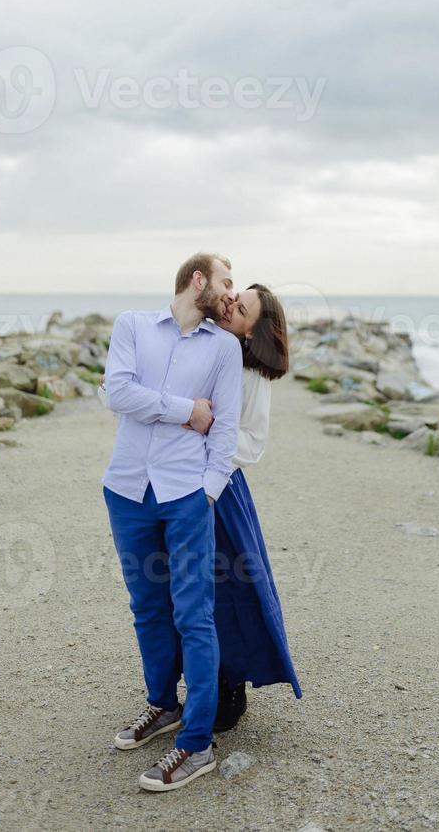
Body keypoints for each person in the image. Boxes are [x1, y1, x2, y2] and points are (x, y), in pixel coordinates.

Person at [101, 252, 243, 793]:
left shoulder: (224, 348)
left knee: (194, 614)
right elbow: (118, 393)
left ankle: (198, 743)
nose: (231, 294)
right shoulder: (134, 326)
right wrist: (187, 409)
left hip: (187, 494)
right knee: (147, 607)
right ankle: (163, 706)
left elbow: (224, 425)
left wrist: (207, 492)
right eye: (226, 282)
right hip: (127, 488)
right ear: (198, 279)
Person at [211, 284, 302, 731]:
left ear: (252, 331)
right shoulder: (212, 344)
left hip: (220, 492)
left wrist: (205, 456)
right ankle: (198, 685)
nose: (230, 305)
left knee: (230, 592)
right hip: (183, 483)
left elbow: (251, 444)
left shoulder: (253, 374)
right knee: (187, 592)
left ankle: (232, 692)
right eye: (233, 297)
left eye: (241, 307)